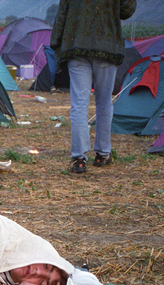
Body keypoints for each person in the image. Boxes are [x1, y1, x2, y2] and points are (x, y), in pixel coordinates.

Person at [50, 0, 137, 174]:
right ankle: (103, 153)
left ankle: (79, 158)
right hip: (107, 46)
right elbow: (126, 11)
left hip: (77, 47)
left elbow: (62, 14)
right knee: (104, 102)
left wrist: (57, 44)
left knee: (79, 103)